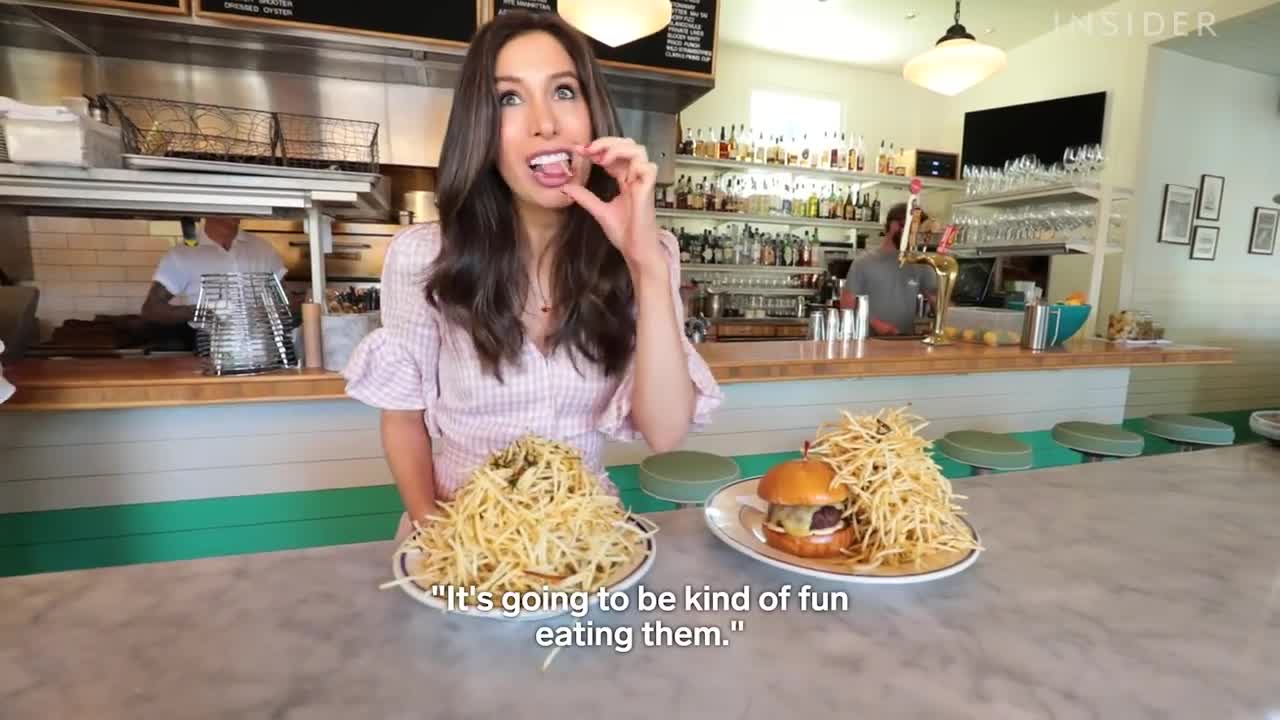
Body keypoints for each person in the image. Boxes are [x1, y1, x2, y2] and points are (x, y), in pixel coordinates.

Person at [341, 11, 723, 541]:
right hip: (459, 534)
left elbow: (665, 432)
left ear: (593, 116)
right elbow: (403, 419)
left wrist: (646, 266)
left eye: (565, 92)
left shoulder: (646, 255)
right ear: (481, 128)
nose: (545, 122)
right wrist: (439, 535)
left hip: (585, 543)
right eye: (509, 99)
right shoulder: (423, 256)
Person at [141, 216, 286, 326]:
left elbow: (286, 303)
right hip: (205, 346)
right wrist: (204, 312)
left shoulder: (263, 249)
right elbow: (151, 309)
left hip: (260, 343)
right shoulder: (181, 254)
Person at [839, 203, 937, 336]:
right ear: (894, 226)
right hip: (868, 344)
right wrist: (875, 323)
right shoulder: (864, 262)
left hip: (905, 343)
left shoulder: (920, 263)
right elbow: (847, 305)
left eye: (917, 231)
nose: (915, 236)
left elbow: (936, 300)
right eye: (911, 230)